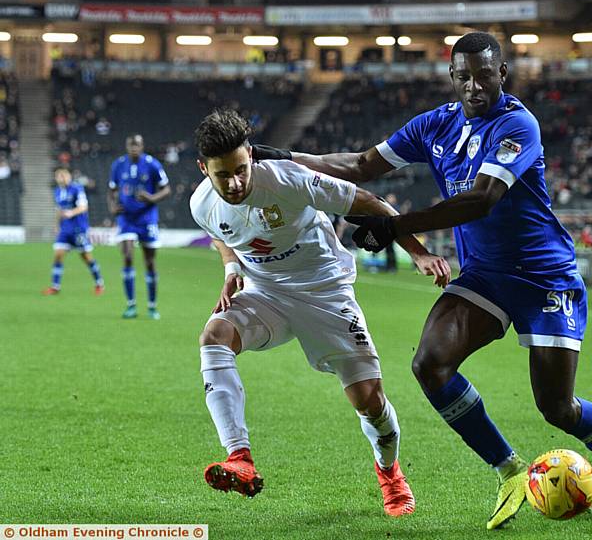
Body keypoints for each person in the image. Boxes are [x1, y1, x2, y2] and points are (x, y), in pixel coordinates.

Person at [252, 32, 592, 530]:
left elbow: (482, 199)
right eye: (464, 76)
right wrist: (285, 158)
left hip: (544, 278)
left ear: (502, 74)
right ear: (452, 77)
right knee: (429, 364)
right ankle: (508, 469)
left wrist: (395, 226)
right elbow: (363, 165)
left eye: (484, 74)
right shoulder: (436, 126)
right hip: (487, 278)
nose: (474, 85)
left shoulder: (518, 124)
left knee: (556, 407)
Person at [190, 109, 451, 516]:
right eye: (224, 175)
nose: (236, 182)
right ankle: (239, 456)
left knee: (370, 401)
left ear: (251, 159)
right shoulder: (201, 203)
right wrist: (231, 269)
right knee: (213, 337)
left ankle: (389, 471)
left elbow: (371, 202)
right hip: (267, 294)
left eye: (242, 169)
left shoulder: (287, 180)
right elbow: (221, 234)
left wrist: (418, 253)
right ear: (204, 169)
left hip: (326, 293)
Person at [108, 134, 171, 319]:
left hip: (147, 218)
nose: (134, 147)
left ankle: (152, 306)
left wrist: (152, 198)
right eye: (131, 144)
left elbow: (166, 189)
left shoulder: (152, 164)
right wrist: (112, 206)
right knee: (127, 256)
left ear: (142, 146)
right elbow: (111, 190)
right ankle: (131, 305)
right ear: (127, 146)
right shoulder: (118, 165)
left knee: (150, 262)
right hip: (126, 218)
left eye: (137, 144)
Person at [42, 167, 104, 296]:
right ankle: (55, 286)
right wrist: (57, 225)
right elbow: (59, 209)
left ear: (69, 176)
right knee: (58, 255)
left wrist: (72, 212)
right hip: (65, 229)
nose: (62, 177)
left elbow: (83, 207)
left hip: (78, 228)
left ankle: (99, 283)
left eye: (64, 175)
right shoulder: (58, 191)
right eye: (59, 175)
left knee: (86, 257)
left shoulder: (77, 189)